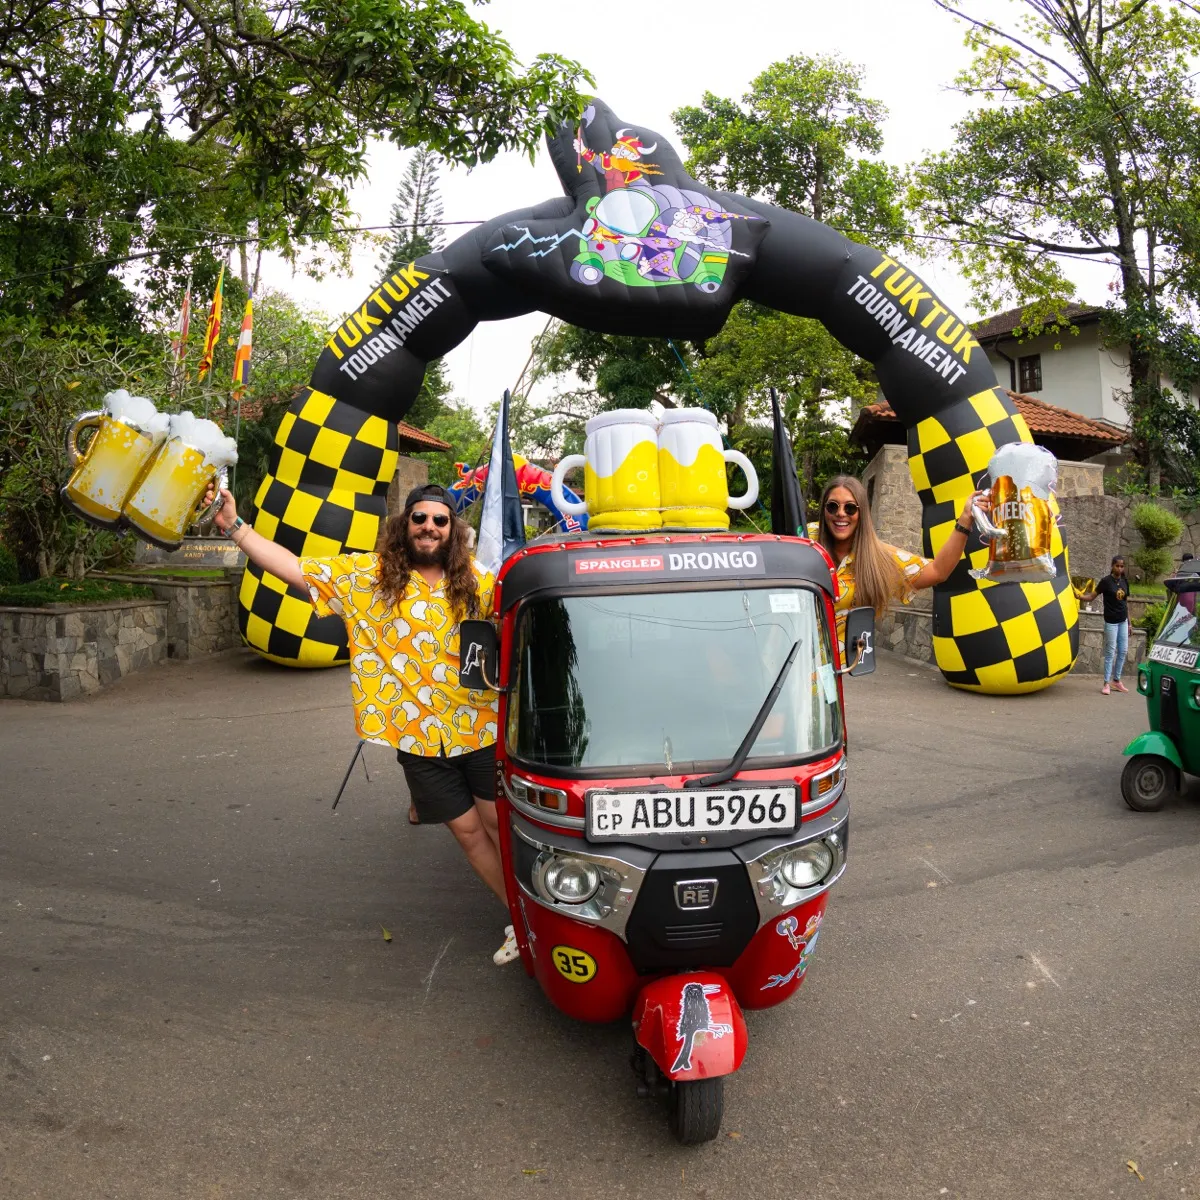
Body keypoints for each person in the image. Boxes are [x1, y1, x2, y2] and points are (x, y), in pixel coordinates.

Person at [206, 481, 518, 966]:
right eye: (420, 518)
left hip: (479, 730)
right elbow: (294, 568)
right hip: (416, 739)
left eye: (440, 520)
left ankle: (540, 922)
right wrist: (234, 527)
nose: (429, 527)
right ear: (405, 525)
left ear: (453, 530)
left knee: (500, 828)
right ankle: (520, 924)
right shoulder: (370, 577)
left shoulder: (477, 581)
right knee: (469, 835)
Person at [810, 475, 987, 644]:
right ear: (824, 510)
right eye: (832, 506)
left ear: (862, 513)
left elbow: (937, 572)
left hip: (830, 672)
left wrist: (965, 520)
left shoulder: (877, 558)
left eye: (850, 508)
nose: (841, 513)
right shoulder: (807, 541)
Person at [1081, 556, 1131, 695]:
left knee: (1123, 651)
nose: (1120, 569)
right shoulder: (1105, 582)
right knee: (1110, 652)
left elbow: (1126, 603)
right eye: (1117, 566)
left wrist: (1130, 624)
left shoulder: (1125, 581)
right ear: (1112, 566)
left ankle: (1116, 681)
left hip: (1123, 621)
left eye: (1122, 566)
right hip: (1111, 622)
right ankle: (1106, 683)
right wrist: (1079, 597)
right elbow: (1092, 596)